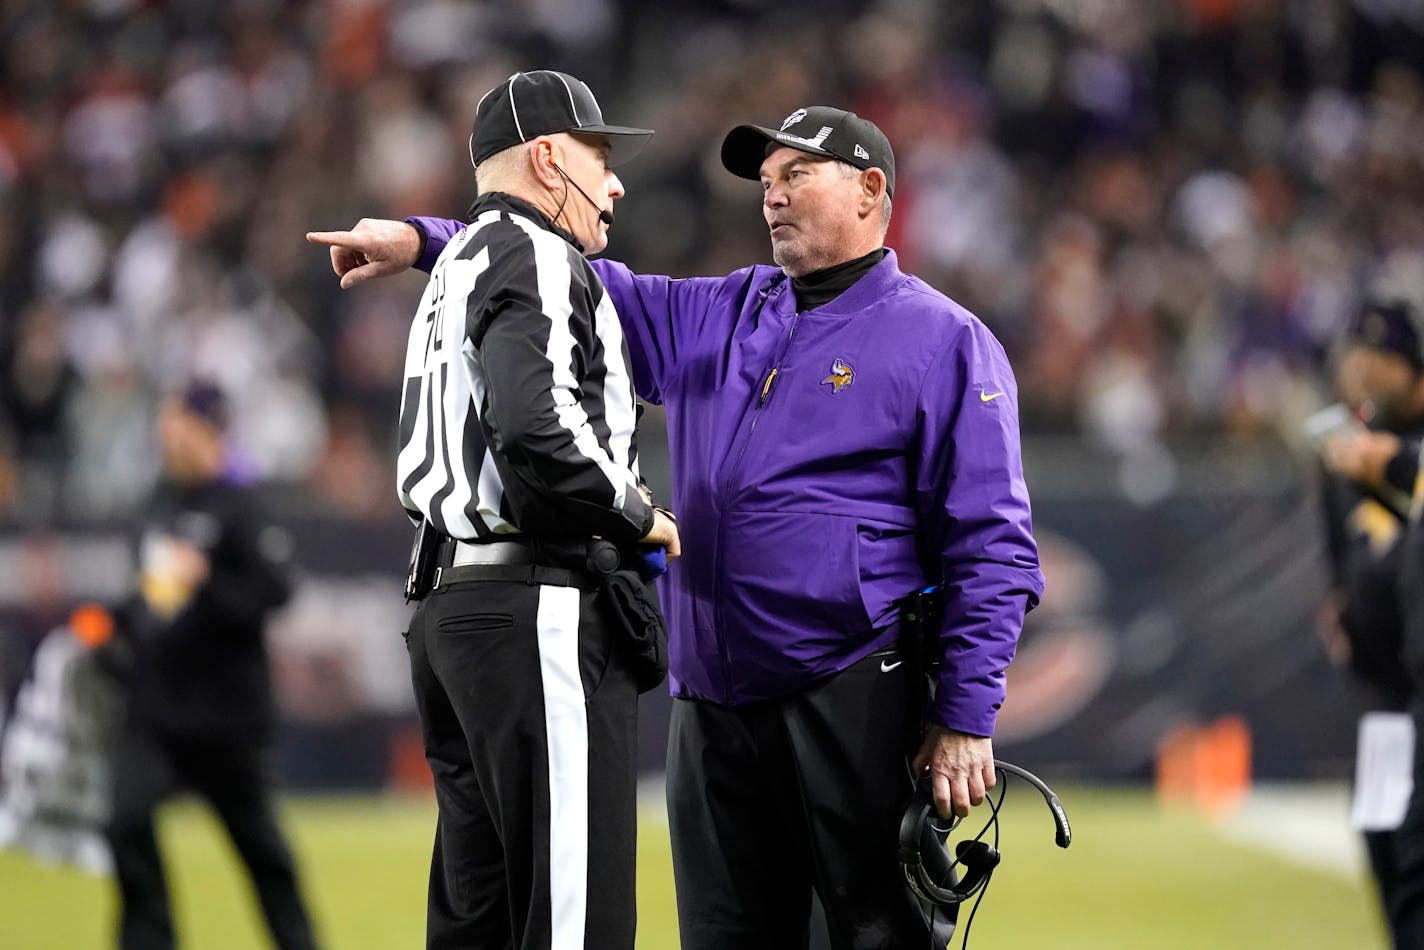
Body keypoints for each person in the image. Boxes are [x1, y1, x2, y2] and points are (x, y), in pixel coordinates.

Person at [309, 103, 1042, 949]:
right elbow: (552, 267)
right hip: (713, 702)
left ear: (872, 189)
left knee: (872, 935)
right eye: (766, 182)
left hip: (852, 690)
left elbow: (993, 546)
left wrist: (965, 716)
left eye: (796, 174)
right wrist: (425, 239)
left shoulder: (946, 339)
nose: (772, 197)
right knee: (721, 936)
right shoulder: (723, 311)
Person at [383, 70, 678, 950]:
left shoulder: (461, 264)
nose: (615, 181)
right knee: (570, 924)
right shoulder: (538, 254)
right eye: (600, 156)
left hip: (452, 606)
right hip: (534, 607)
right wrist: (638, 515)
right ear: (550, 159)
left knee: (478, 919)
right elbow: (537, 428)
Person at [102, 381, 319, 950]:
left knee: (261, 852)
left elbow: (277, 591)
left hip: (227, 716)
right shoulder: (160, 501)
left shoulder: (240, 505)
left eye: (176, 424)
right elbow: (141, 597)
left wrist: (209, 580)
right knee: (124, 820)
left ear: (207, 430)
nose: (166, 435)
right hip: (156, 709)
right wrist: (102, 633)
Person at [1314, 295, 1424, 947]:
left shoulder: (1394, 454)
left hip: (1418, 687)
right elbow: (1338, 545)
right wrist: (1337, 597)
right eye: (1358, 358)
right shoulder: (1341, 444)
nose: (1366, 373)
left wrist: (1392, 466)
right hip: (1384, 691)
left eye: (1382, 359)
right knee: (1389, 845)